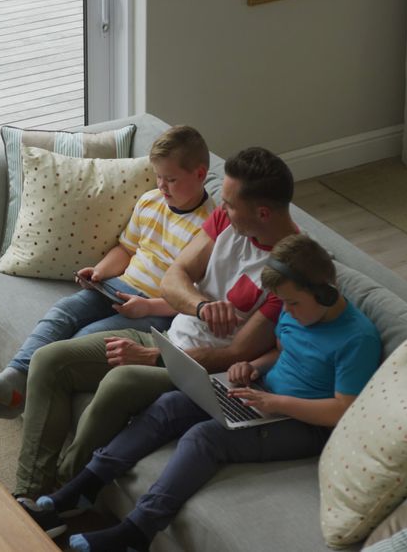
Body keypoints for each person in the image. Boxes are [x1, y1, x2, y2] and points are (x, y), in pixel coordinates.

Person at [24, 234, 383, 551]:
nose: (285, 312)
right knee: (171, 405)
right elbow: (284, 350)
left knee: (204, 438)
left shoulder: (357, 339)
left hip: (304, 423)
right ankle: (85, 485)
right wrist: (254, 367)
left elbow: (341, 410)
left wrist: (275, 402)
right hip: (261, 396)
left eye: (293, 304)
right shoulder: (300, 310)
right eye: (283, 303)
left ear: (326, 292)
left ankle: (137, 531)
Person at [12, 146, 299, 498]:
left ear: (264, 213)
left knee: (121, 380)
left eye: (228, 204)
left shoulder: (291, 270)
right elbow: (173, 277)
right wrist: (202, 307)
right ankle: (28, 491)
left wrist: (157, 358)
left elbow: (237, 351)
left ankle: (66, 488)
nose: (219, 208)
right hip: (167, 336)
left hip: (199, 372)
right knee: (48, 359)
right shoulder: (228, 221)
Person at [0, 125, 216, 417]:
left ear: (199, 174)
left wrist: (147, 307)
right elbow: (126, 249)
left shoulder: (210, 228)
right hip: (118, 287)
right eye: (158, 176)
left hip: (158, 311)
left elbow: (196, 299)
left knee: (86, 337)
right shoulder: (150, 201)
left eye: (170, 179)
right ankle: (13, 377)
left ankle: (22, 397)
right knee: (64, 310)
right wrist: (99, 273)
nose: (162, 186)